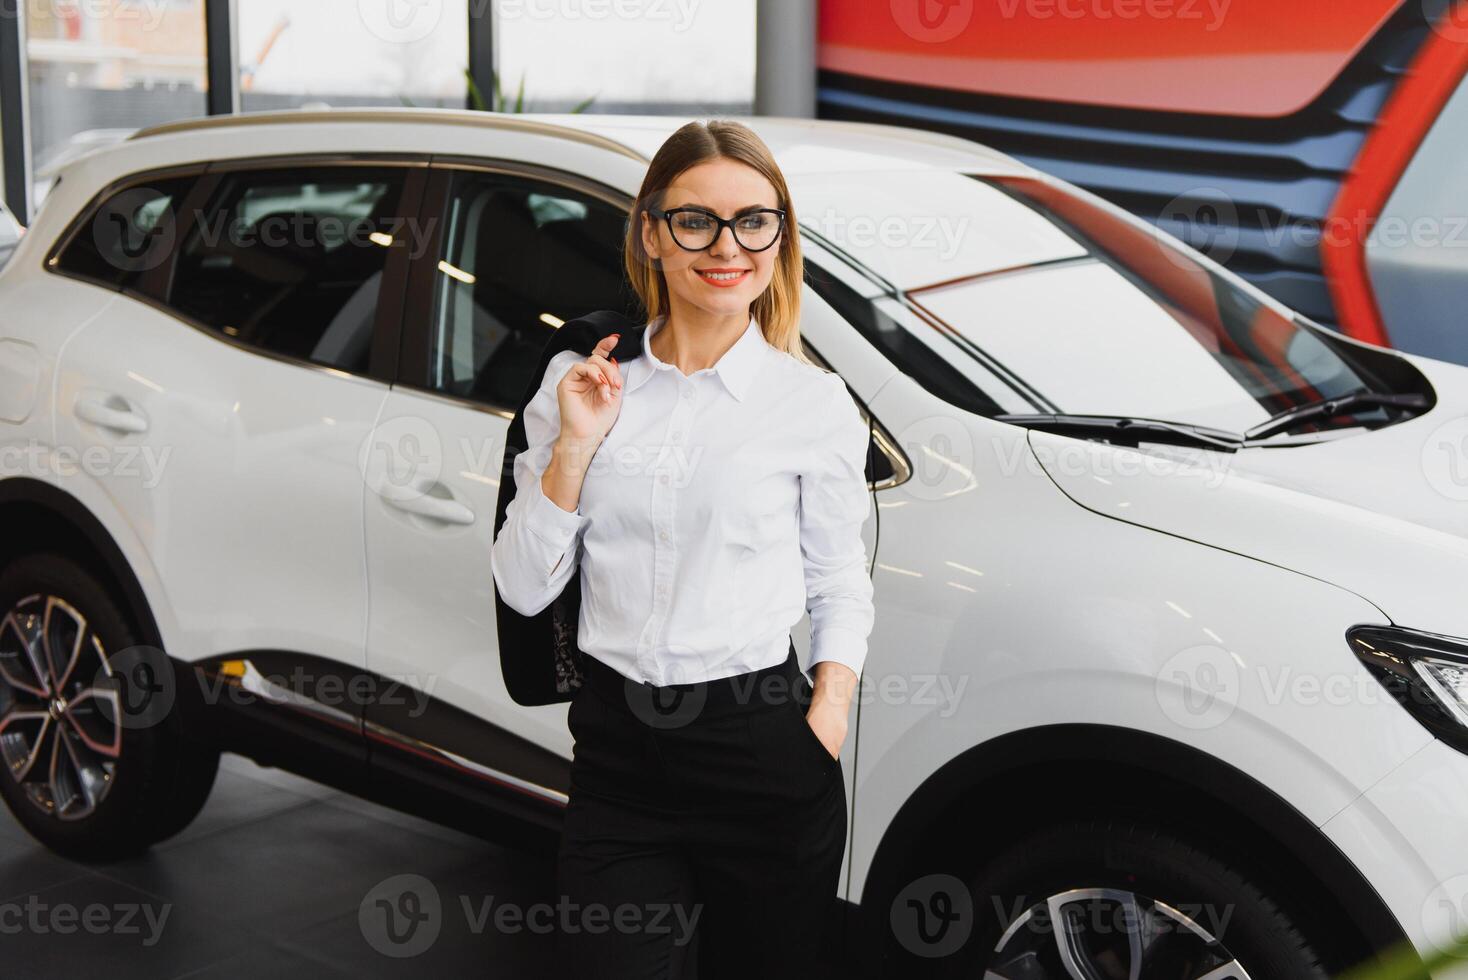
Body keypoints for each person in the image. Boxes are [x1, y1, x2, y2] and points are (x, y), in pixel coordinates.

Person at [490, 118, 875, 979]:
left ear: (780, 235)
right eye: (696, 220)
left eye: (753, 221)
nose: (726, 245)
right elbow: (521, 589)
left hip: (763, 751)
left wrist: (828, 718)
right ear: (652, 232)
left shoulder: (812, 405)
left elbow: (839, 579)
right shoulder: (579, 383)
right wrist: (575, 448)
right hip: (620, 758)